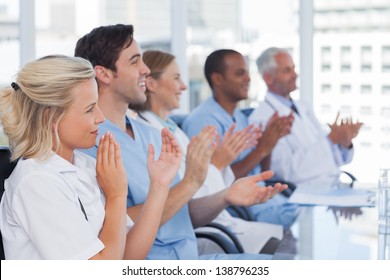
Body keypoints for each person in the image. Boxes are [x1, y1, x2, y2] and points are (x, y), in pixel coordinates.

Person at [75, 24, 286, 260]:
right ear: (103, 74)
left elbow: (182, 216)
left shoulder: (153, 134)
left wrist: (225, 196)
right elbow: (113, 227)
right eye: (134, 62)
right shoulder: (89, 144)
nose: (145, 70)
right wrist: (190, 182)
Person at [0, 55, 180, 259]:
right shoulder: (36, 182)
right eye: (89, 109)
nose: (100, 118)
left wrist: (159, 185)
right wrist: (116, 196)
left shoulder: (86, 166)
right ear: (49, 117)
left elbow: (129, 255)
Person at [130, 49, 286, 254]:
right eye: (176, 78)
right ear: (151, 83)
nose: (184, 86)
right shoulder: (150, 136)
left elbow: (199, 185)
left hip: (218, 222)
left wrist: (218, 165)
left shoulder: (172, 129)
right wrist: (218, 164)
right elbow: (189, 194)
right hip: (202, 232)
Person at [182, 49, 298, 228]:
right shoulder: (204, 122)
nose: (248, 79)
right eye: (239, 73)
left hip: (266, 200)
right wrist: (261, 149)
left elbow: (260, 172)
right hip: (243, 211)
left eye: (247, 73)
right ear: (218, 79)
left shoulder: (240, 116)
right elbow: (211, 183)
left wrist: (269, 143)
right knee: (310, 221)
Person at [249, 47, 363, 184]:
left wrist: (343, 143)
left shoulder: (303, 107)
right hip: (304, 194)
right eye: (287, 70)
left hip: (330, 186)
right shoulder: (261, 118)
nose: (295, 75)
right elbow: (285, 172)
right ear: (268, 78)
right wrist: (331, 139)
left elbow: (333, 159)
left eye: (293, 68)